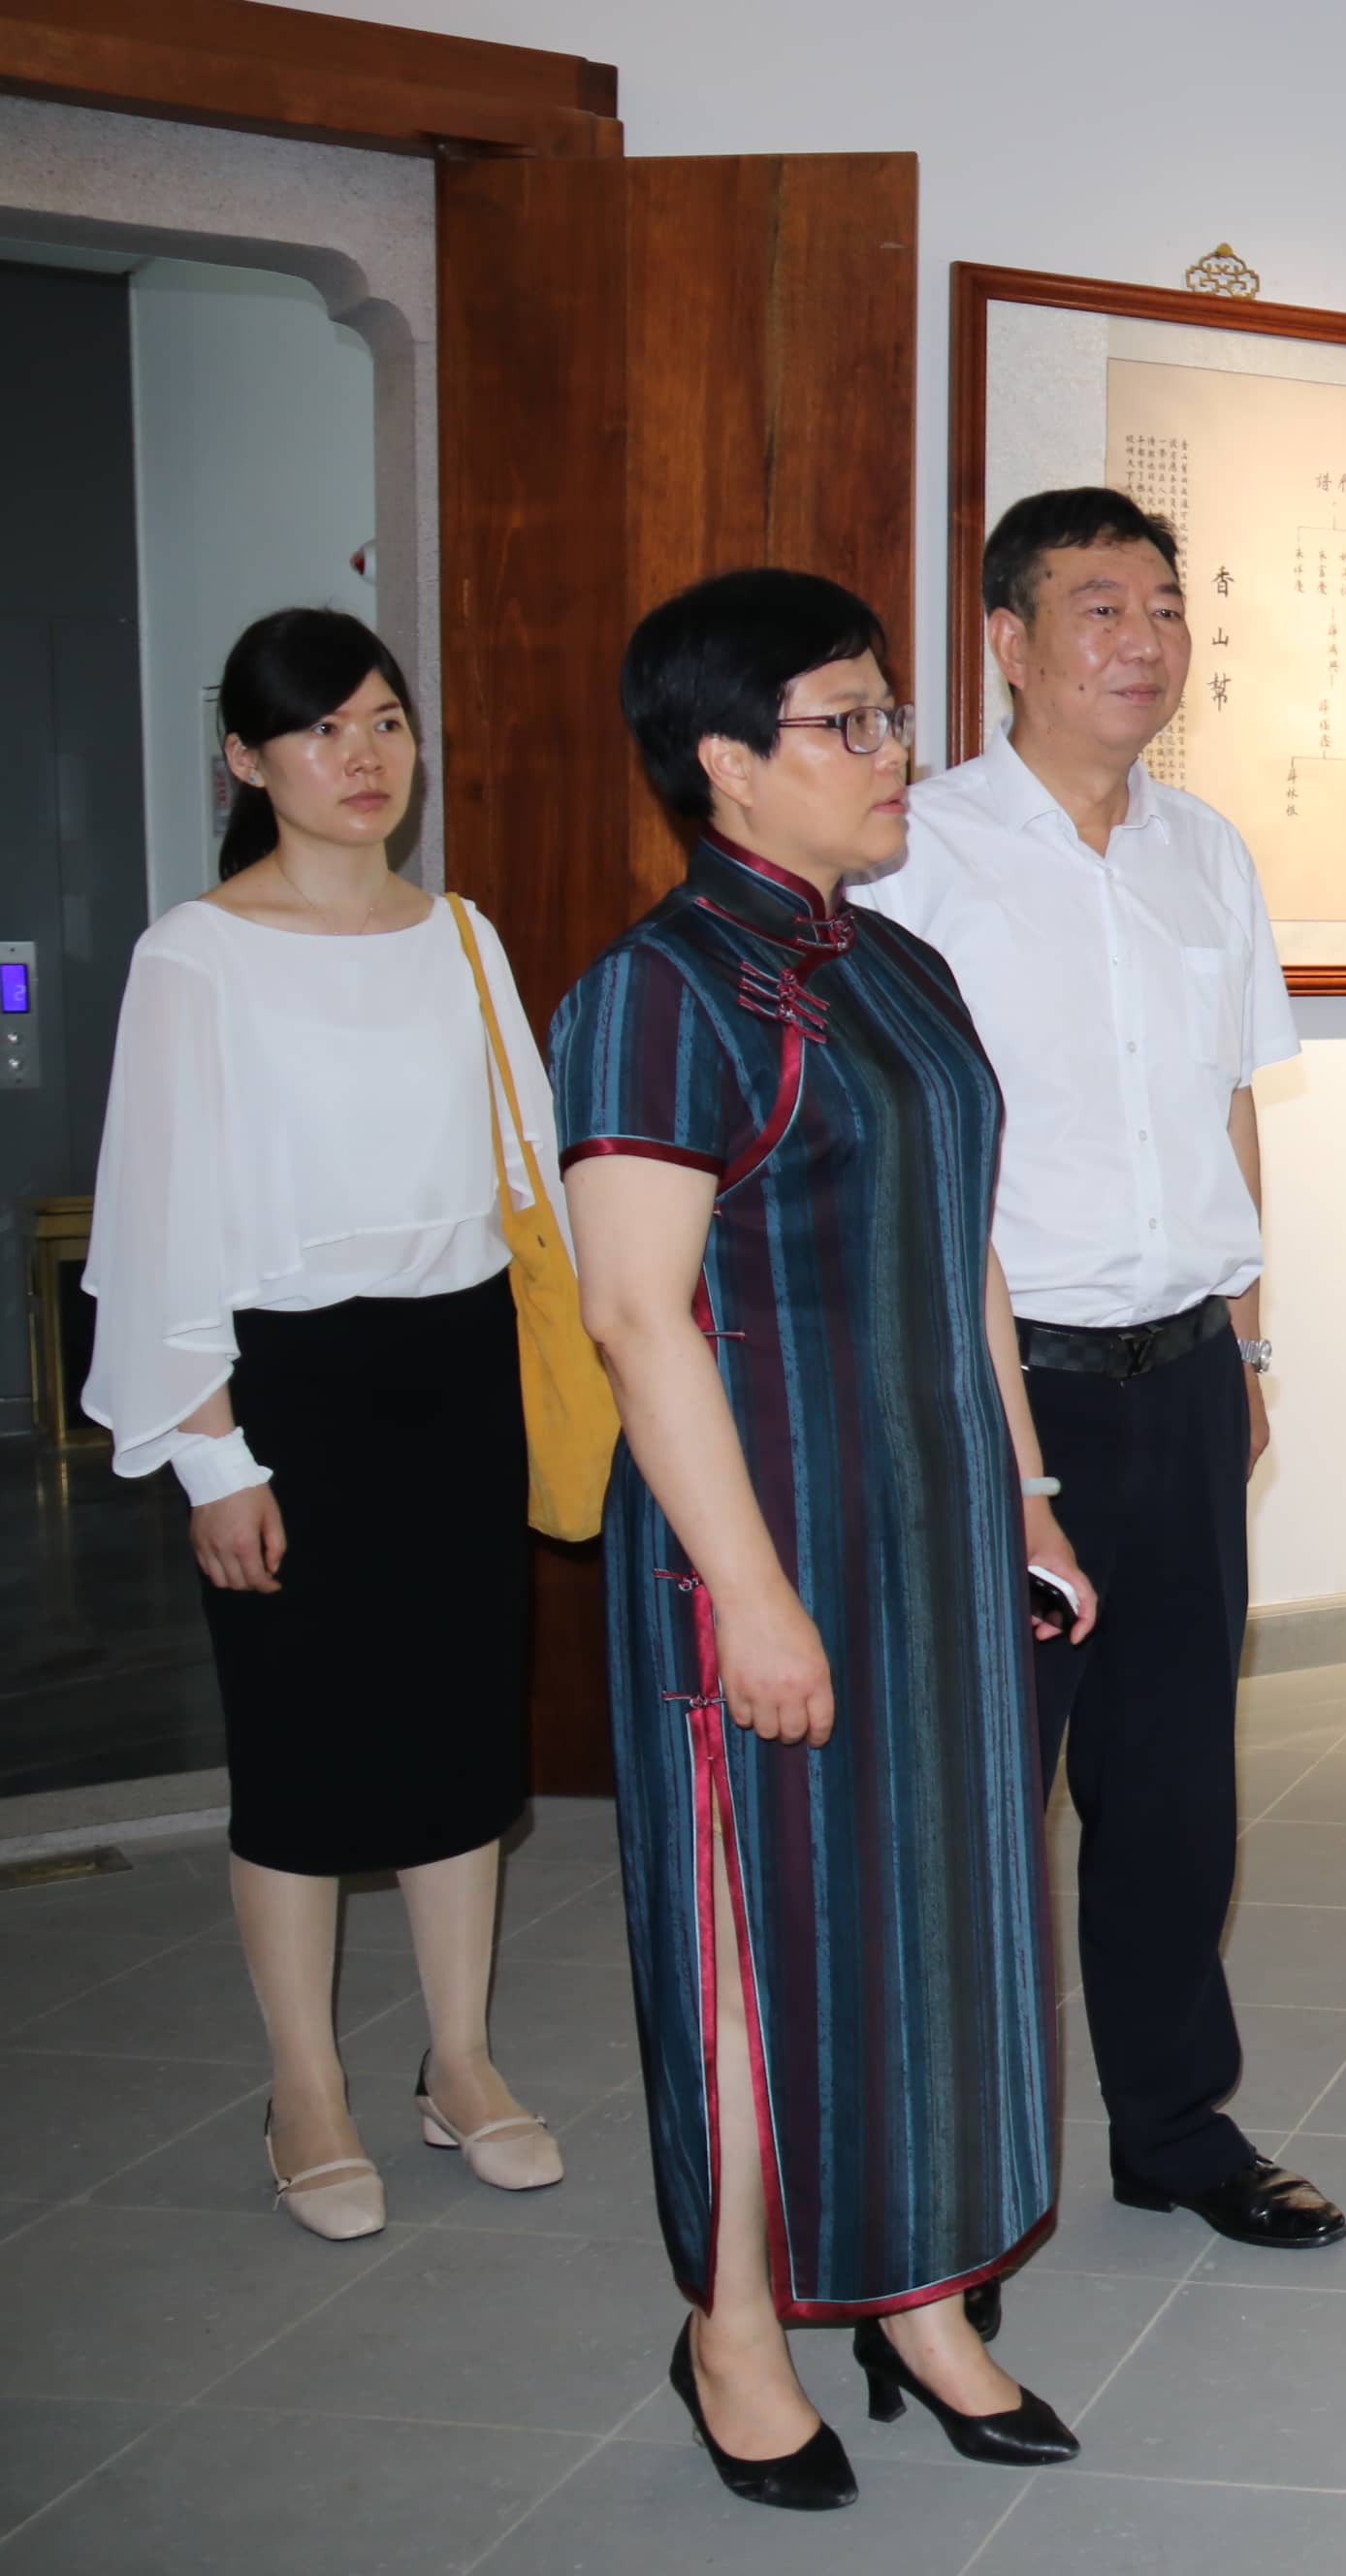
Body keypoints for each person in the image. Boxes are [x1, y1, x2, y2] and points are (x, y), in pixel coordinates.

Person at [558, 569, 1097, 2510]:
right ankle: (730, 2328)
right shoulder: (659, 991)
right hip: (760, 1537)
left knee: (936, 1921)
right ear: (724, 762)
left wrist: (1023, 1494)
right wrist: (752, 1597)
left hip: (930, 1533)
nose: (893, 754)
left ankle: (920, 2298)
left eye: (890, 715)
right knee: (750, 1948)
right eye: (846, 721)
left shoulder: (897, 966)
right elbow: (638, 1317)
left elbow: (967, 1260)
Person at [849, 488, 1340, 2258]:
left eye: (1166, 607)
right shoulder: (916, 852)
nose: (1144, 641)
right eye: (1101, 607)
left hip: (1184, 1377)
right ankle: (952, 2171)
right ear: (1007, 640)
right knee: (984, 1792)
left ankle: (1175, 2128)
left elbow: (1230, 1109)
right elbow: (910, 1158)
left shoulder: (1207, 851)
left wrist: (1253, 1340)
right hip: (1002, 1390)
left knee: (1175, 1784)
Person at [80, 607, 563, 2244]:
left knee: (459, 1734)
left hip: (458, 1371)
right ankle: (306, 2088)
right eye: (319, 730)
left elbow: (527, 1180)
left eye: (385, 722)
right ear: (245, 759)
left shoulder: (463, 939)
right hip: (283, 1387)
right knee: (297, 1748)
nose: (362, 759)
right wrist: (213, 1455)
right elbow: (159, 1222)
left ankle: (460, 2060)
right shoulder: (196, 956)